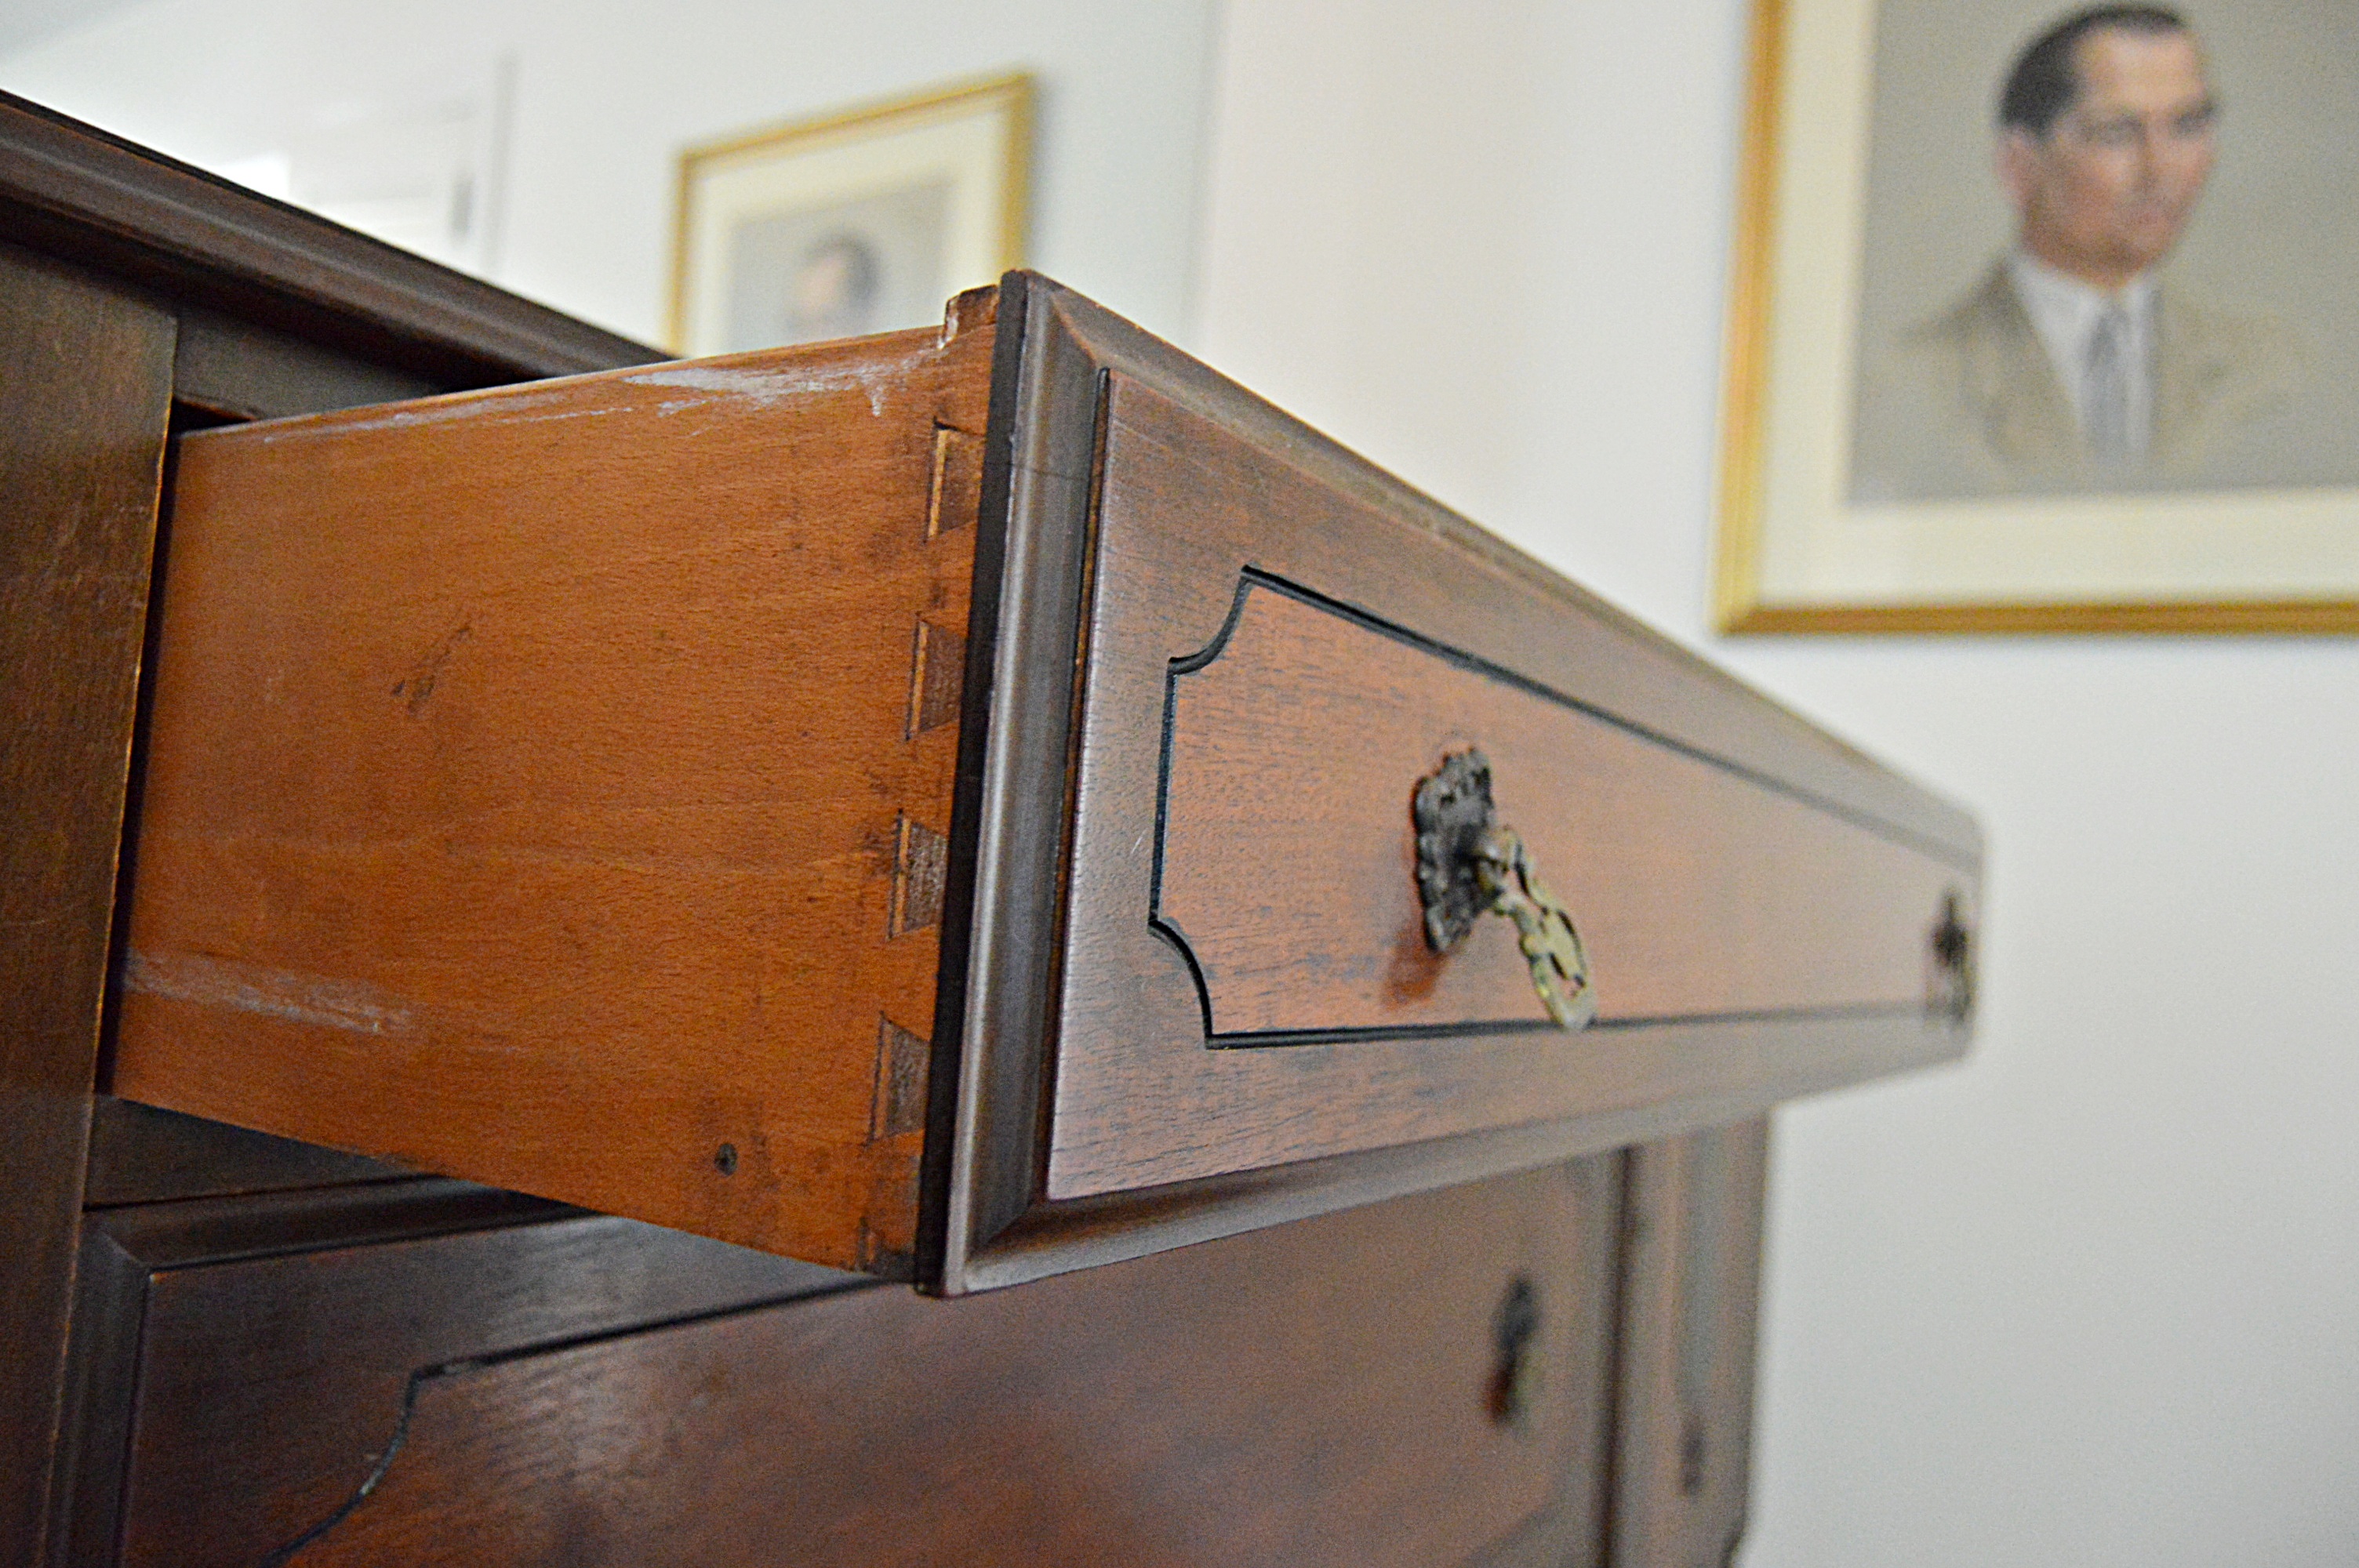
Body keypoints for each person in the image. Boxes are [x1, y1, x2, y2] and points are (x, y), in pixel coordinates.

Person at [1852, 5, 2298, 499]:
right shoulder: (1915, 382)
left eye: (2187, 126)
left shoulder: (2270, 367)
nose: (2161, 170)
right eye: (2115, 133)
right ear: (2019, 165)